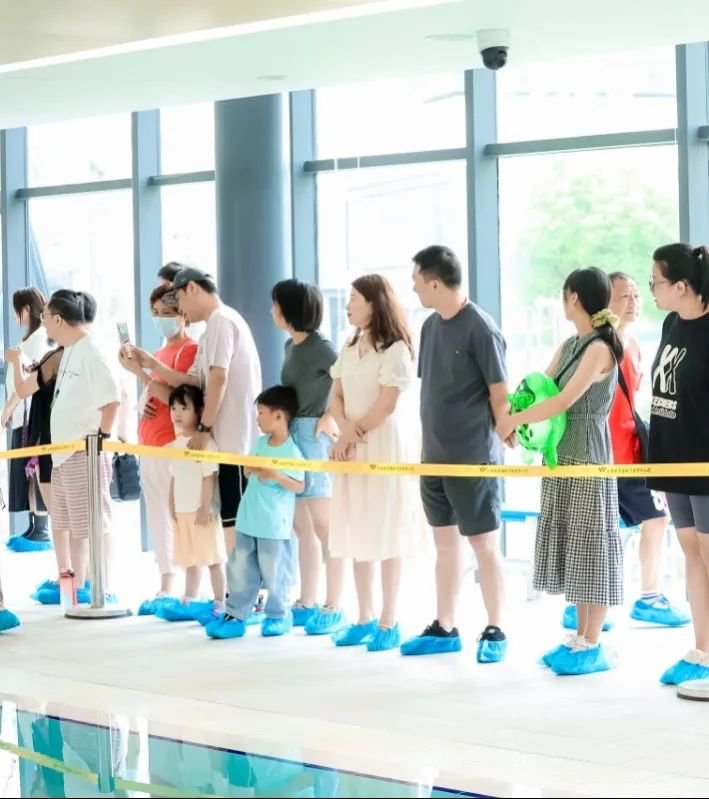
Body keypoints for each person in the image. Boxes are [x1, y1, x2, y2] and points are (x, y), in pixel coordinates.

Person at [496, 267, 623, 676]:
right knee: (575, 544)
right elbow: (541, 388)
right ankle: (579, 637)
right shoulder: (571, 344)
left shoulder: (600, 348)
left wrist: (513, 421)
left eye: (564, 294)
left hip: (587, 453)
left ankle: (592, 641)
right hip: (560, 452)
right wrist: (515, 415)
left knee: (591, 543)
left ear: (574, 297)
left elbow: (564, 401)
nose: (562, 300)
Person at [401, 245, 511, 663]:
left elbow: (499, 394)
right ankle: (445, 626)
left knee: (483, 543)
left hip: (472, 457)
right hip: (433, 456)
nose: (414, 289)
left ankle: (496, 628)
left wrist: (508, 430)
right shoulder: (430, 327)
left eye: (417, 281)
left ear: (434, 282)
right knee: (444, 544)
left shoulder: (481, 328)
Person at [560, 271, 686, 630]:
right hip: (602, 454)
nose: (632, 302)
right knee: (595, 529)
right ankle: (583, 605)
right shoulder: (599, 346)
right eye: (623, 296)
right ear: (605, 302)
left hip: (629, 454)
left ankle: (647, 597)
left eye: (636, 295)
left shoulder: (633, 346)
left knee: (655, 518)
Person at [130, 268, 262, 555]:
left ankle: (244, 583)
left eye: (178, 300)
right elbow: (193, 381)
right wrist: (150, 365)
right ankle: (238, 581)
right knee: (229, 521)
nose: (181, 310)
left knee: (236, 524)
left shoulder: (221, 322)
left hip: (234, 444)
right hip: (226, 443)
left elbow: (218, 378)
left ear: (192, 288)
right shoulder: (213, 328)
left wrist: (203, 428)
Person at [326, 275, 419, 652]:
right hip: (351, 445)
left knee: (386, 529)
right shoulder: (349, 347)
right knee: (357, 527)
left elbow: (386, 404)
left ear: (373, 303)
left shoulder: (396, 348)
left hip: (380, 446)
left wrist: (351, 433)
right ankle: (363, 616)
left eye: (354, 298)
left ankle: (388, 621)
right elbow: (335, 395)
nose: (348, 305)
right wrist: (344, 430)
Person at [646, 243, 709, 685]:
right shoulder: (671, 323)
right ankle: (702, 650)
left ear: (682, 287)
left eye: (656, 282)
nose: (652, 289)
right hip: (673, 457)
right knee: (691, 551)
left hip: (704, 462)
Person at [270, 279, 345, 633]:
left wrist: (330, 416)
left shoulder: (322, 347)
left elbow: (345, 381)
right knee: (302, 527)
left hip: (313, 436)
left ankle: (334, 604)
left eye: (276, 305)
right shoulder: (290, 345)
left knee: (324, 525)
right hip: (290, 437)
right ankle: (307, 600)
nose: (272, 311)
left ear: (289, 310)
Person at [118, 285, 198, 613]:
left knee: (178, 514)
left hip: (171, 444)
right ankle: (166, 581)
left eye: (168, 313)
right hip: (149, 443)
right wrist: (140, 376)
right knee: (158, 515)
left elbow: (178, 399)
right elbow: (152, 395)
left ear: (183, 315)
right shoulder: (160, 352)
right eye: (156, 313)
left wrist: (142, 373)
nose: (161, 319)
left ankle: (185, 586)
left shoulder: (189, 350)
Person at [206, 386, 304, 640]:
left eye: (261, 413)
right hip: (248, 519)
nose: (257, 418)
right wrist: (251, 469)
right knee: (240, 569)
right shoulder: (259, 443)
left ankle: (279, 615)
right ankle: (235, 615)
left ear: (278, 416)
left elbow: (299, 485)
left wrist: (276, 475)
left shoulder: (292, 451)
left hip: (273, 525)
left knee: (275, 571)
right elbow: (248, 471)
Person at [42, 290, 121, 597]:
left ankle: (104, 588)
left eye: (45, 317)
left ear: (58, 319)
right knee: (73, 527)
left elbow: (112, 399)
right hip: (63, 456)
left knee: (95, 524)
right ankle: (77, 589)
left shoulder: (91, 350)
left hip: (83, 454)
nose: (43, 323)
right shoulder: (70, 350)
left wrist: (99, 440)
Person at [154, 385, 227, 624]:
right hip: (182, 512)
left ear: (199, 411)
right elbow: (175, 475)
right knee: (190, 560)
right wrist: (171, 501)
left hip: (201, 512)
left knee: (212, 558)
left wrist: (205, 508)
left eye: (184, 408)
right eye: (174, 408)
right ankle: (190, 597)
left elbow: (209, 477)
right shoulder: (177, 443)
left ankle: (220, 602)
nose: (177, 413)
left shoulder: (205, 443)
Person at [3, 288, 51, 552]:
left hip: (30, 413)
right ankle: (34, 526)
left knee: (33, 469)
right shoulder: (33, 337)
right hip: (23, 414)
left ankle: (41, 528)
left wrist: (7, 409)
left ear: (27, 309)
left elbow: (32, 378)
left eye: (17, 310)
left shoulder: (40, 338)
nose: (15, 315)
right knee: (26, 470)